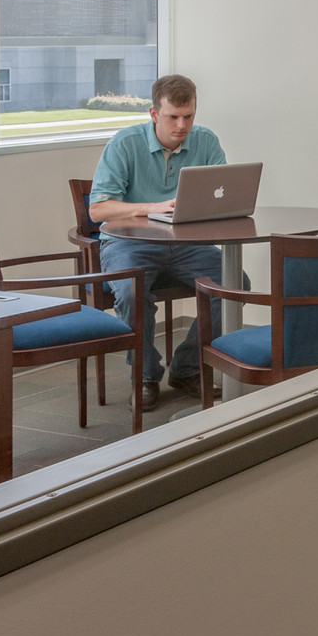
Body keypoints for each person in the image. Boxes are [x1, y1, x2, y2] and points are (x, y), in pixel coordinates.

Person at [87, 74, 240, 408]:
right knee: (132, 292)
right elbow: (98, 210)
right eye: (173, 117)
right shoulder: (125, 144)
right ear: (154, 114)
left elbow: (224, 197)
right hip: (129, 243)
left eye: (189, 116)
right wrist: (151, 207)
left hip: (186, 245)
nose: (182, 125)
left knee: (235, 283)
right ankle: (144, 376)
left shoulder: (206, 141)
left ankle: (186, 367)